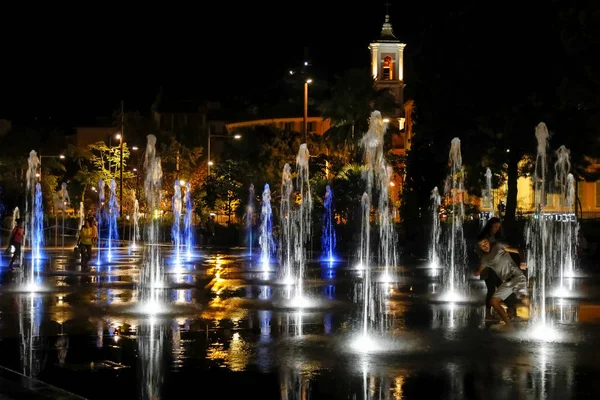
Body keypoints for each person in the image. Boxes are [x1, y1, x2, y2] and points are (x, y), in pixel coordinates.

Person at [474, 234, 529, 328]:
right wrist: (476, 271)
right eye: (482, 245)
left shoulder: (498, 246)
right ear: (479, 247)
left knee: (522, 296)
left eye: (485, 243)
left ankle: (537, 317)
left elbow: (519, 250)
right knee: (493, 301)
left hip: (517, 276)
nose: (485, 246)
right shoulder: (484, 259)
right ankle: (508, 325)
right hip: (507, 282)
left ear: (489, 242)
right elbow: (478, 271)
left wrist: (523, 261)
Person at [477, 217, 523, 320]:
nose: (496, 228)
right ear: (490, 226)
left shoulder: (498, 238)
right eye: (495, 226)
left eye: (498, 226)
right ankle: (491, 313)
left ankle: (509, 310)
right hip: (488, 269)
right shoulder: (485, 237)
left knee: (502, 288)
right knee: (491, 290)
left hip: (497, 268)